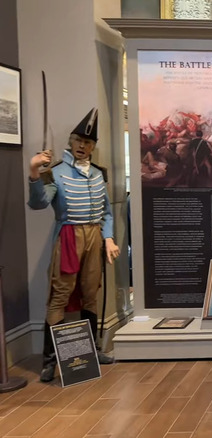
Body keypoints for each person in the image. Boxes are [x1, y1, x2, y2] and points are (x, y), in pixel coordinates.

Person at [27, 108, 120, 383]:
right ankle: (50, 360)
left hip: (94, 237)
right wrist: (34, 171)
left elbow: (106, 213)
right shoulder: (55, 172)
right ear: (71, 141)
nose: (82, 146)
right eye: (79, 141)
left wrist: (109, 237)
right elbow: (38, 203)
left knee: (91, 292)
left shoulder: (98, 174)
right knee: (60, 294)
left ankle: (91, 351)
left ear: (93, 146)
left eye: (88, 142)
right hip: (68, 236)